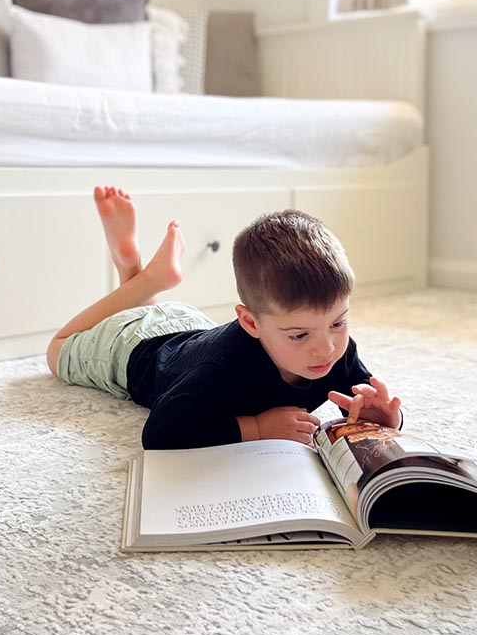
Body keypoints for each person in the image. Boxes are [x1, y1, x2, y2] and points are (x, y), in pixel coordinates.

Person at [46, 186, 402, 449]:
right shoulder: (222, 369)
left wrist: (385, 418)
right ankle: (144, 280)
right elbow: (160, 432)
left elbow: (363, 400)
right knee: (57, 349)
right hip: (131, 348)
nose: (325, 350)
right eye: (299, 335)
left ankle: (136, 275)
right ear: (251, 323)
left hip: (190, 329)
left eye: (338, 323)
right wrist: (256, 429)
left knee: (149, 314)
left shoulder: (336, 350)